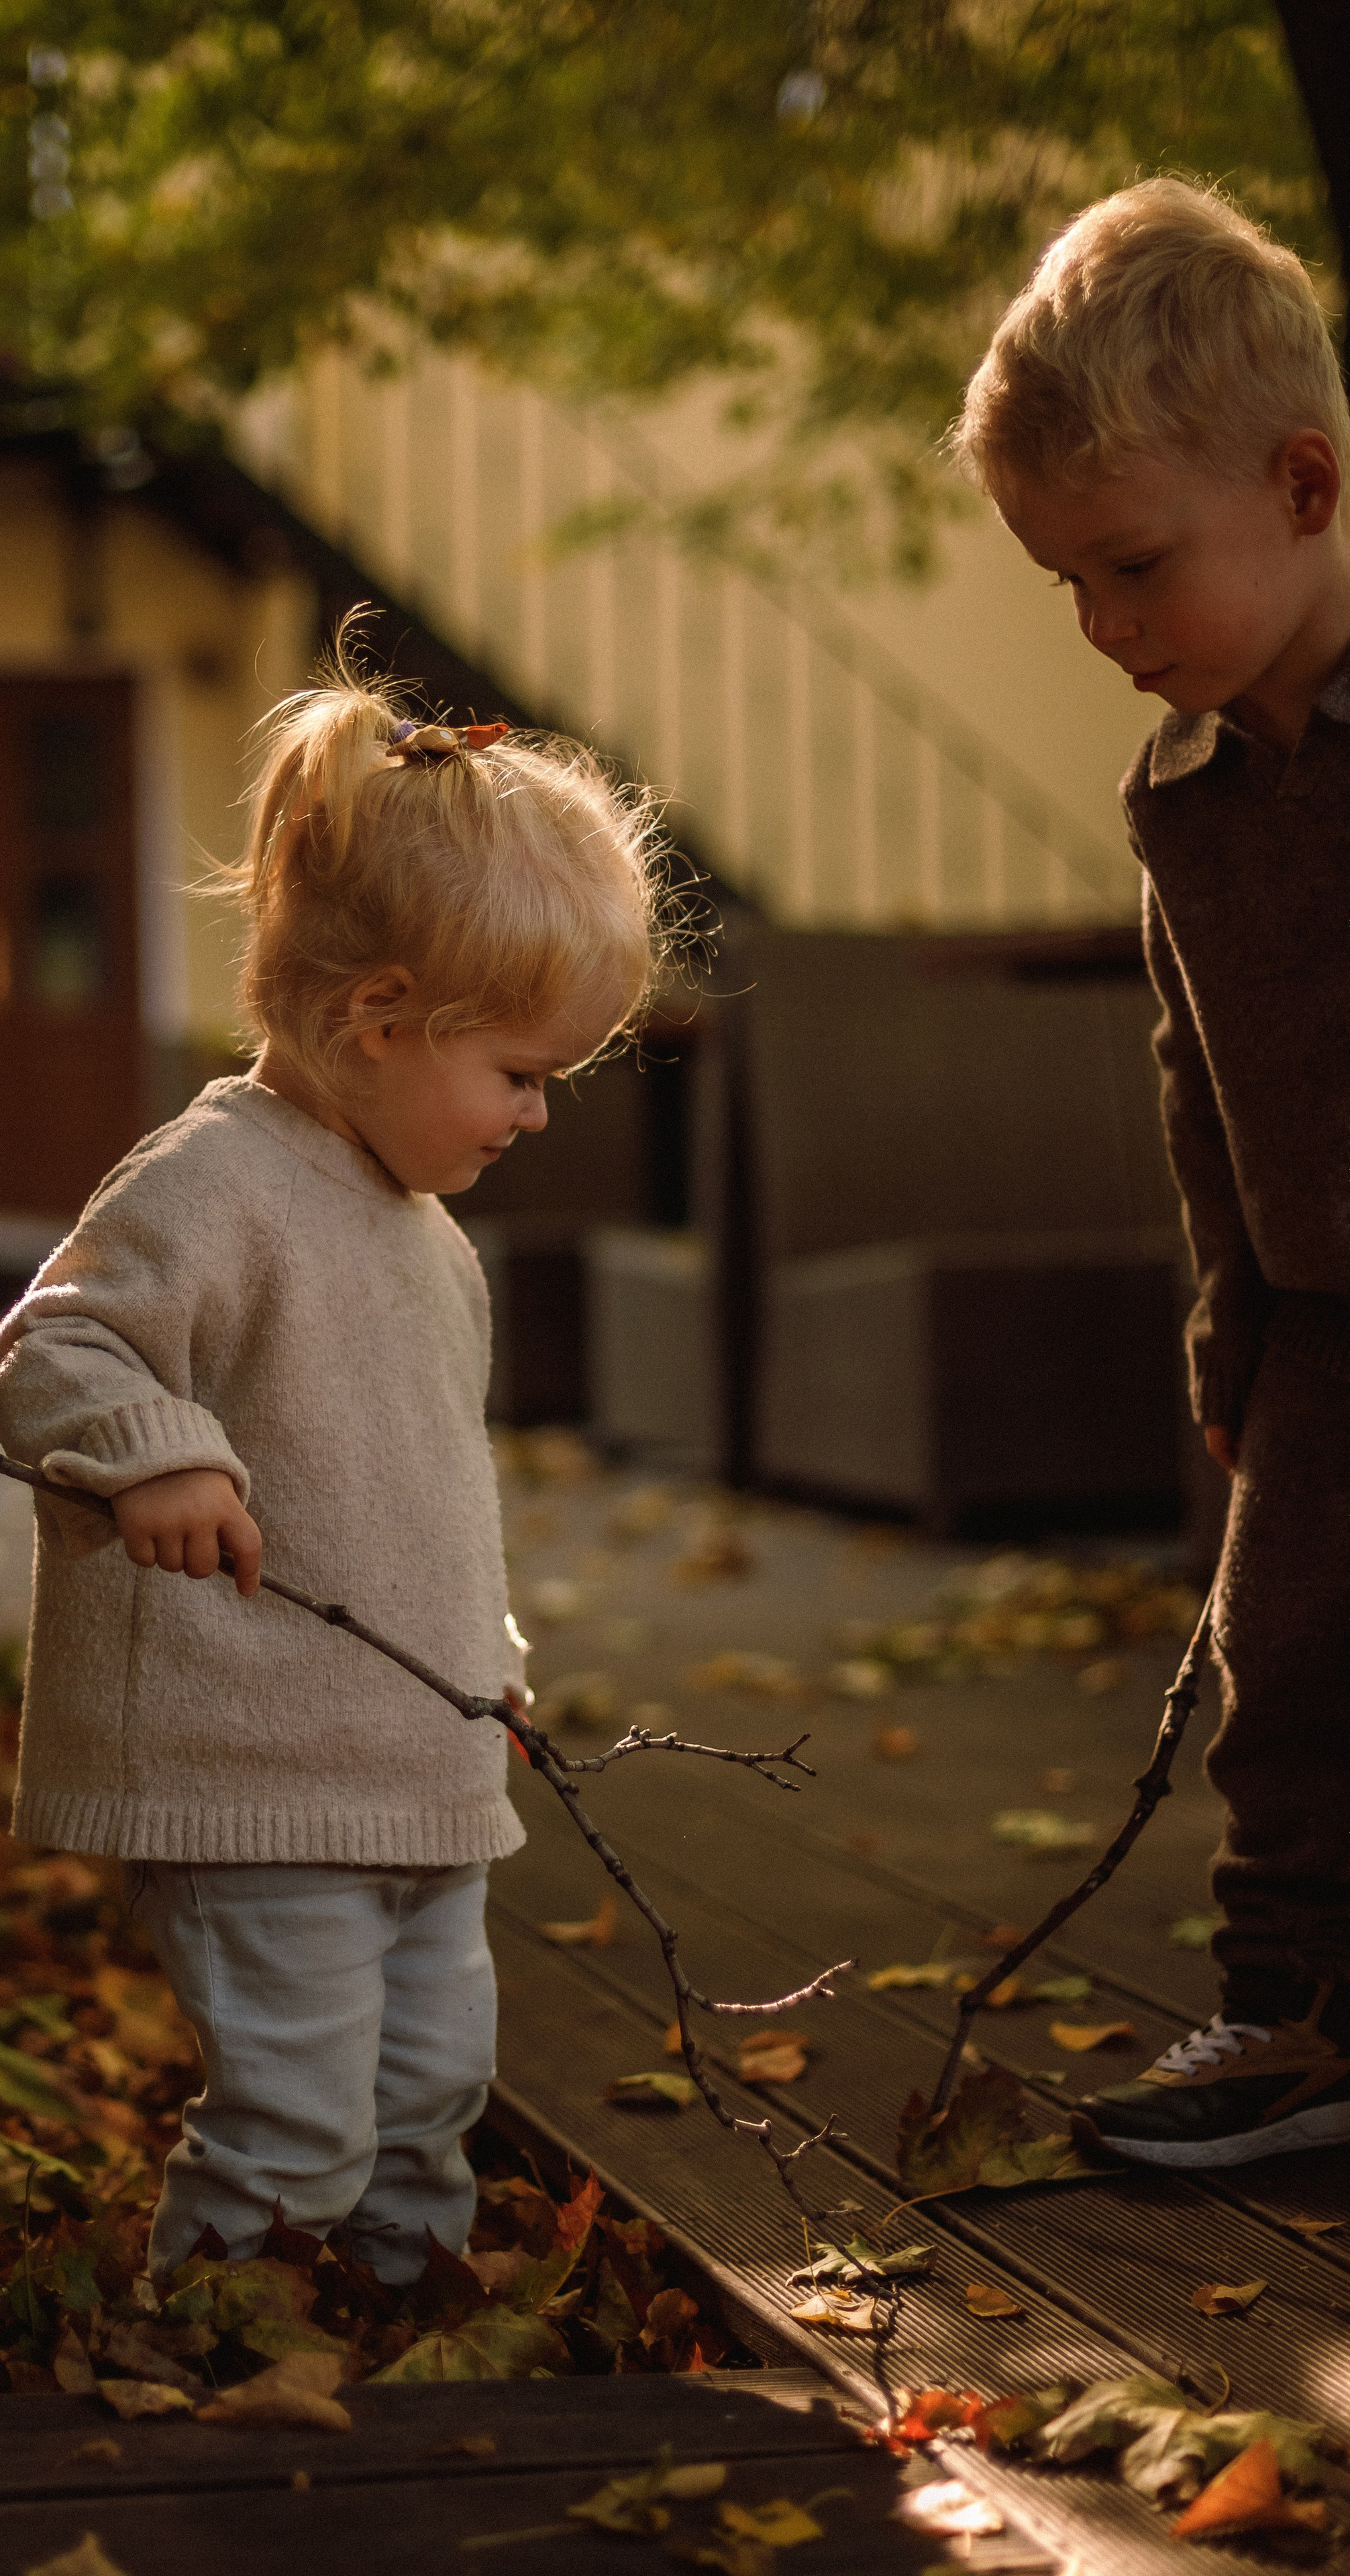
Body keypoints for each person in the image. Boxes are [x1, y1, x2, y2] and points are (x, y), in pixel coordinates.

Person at [0, 656, 668, 2276]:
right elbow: (54, 1348)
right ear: (377, 1021)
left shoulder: (432, 1246)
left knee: (430, 2090)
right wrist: (153, 1454)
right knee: (296, 2112)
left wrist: (478, 1666)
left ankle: (393, 2322)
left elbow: (421, 1496)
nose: (537, 1118)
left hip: (409, 1770)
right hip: (250, 1775)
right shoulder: (215, 1183)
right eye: (518, 1073)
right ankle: (227, 2338)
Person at [953, 176, 1350, 2168]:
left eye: (1133, 569)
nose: (1107, 630)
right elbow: (1199, 1075)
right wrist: (1231, 1321)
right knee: (1279, 1670)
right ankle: (1283, 2024)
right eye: (1069, 590)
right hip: (1317, 1319)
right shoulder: (1179, 791)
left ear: (1303, 483)